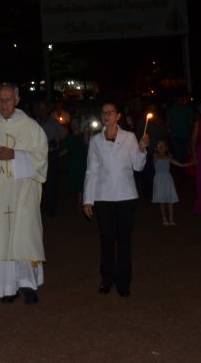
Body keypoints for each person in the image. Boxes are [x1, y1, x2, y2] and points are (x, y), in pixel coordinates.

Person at [0, 83, 48, 304]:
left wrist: (16, 155)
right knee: (1, 237)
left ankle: (28, 284)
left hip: (23, 191)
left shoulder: (30, 127)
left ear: (17, 100)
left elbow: (41, 157)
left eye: (8, 100)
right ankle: (6, 287)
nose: (4, 104)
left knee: (24, 236)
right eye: (0, 100)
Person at [83, 101, 149, 297]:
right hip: (103, 197)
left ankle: (123, 282)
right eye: (104, 112)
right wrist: (88, 199)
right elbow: (91, 170)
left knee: (124, 240)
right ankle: (106, 279)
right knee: (106, 239)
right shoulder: (96, 140)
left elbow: (138, 166)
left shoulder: (129, 137)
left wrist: (142, 149)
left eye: (111, 112)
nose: (107, 115)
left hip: (126, 196)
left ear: (118, 116)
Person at [151, 140, 190, 226]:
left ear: (166, 147)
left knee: (170, 200)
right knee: (162, 201)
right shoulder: (155, 156)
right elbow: (157, 157)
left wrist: (190, 164)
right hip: (159, 179)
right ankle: (164, 219)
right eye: (159, 145)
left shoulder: (168, 157)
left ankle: (171, 219)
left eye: (162, 145)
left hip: (167, 179)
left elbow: (179, 164)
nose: (160, 147)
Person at [35, 101, 64, 218]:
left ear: (48, 110)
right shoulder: (35, 123)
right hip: (38, 157)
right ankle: (40, 210)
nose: (41, 111)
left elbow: (59, 139)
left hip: (51, 156)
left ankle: (50, 210)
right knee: (39, 184)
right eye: (39, 109)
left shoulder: (54, 123)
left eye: (43, 109)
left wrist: (50, 143)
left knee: (51, 184)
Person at [61, 117, 89, 211]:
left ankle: (84, 202)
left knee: (84, 182)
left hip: (83, 161)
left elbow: (87, 144)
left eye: (76, 123)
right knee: (78, 183)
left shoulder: (84, 135)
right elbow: (65, 150)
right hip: (74, 162)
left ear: (79, 124)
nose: (74, 125)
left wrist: (86, 132)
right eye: (72, 123)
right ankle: (80, 202)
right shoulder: (69, 137)